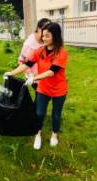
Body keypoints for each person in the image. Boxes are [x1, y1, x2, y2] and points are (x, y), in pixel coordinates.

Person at [4, 21, 68, 150]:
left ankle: (54, 134)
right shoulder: (39, 51)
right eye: (43, 35)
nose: (44, 38)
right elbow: (26, 64)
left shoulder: (61, 53)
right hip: (43, 89)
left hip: (58, 90)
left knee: (56, 114)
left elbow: (52, 72)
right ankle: (38, 134)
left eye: (47, 36)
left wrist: (34, 78)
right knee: (39, 113)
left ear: (55, 36)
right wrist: (11, 73)